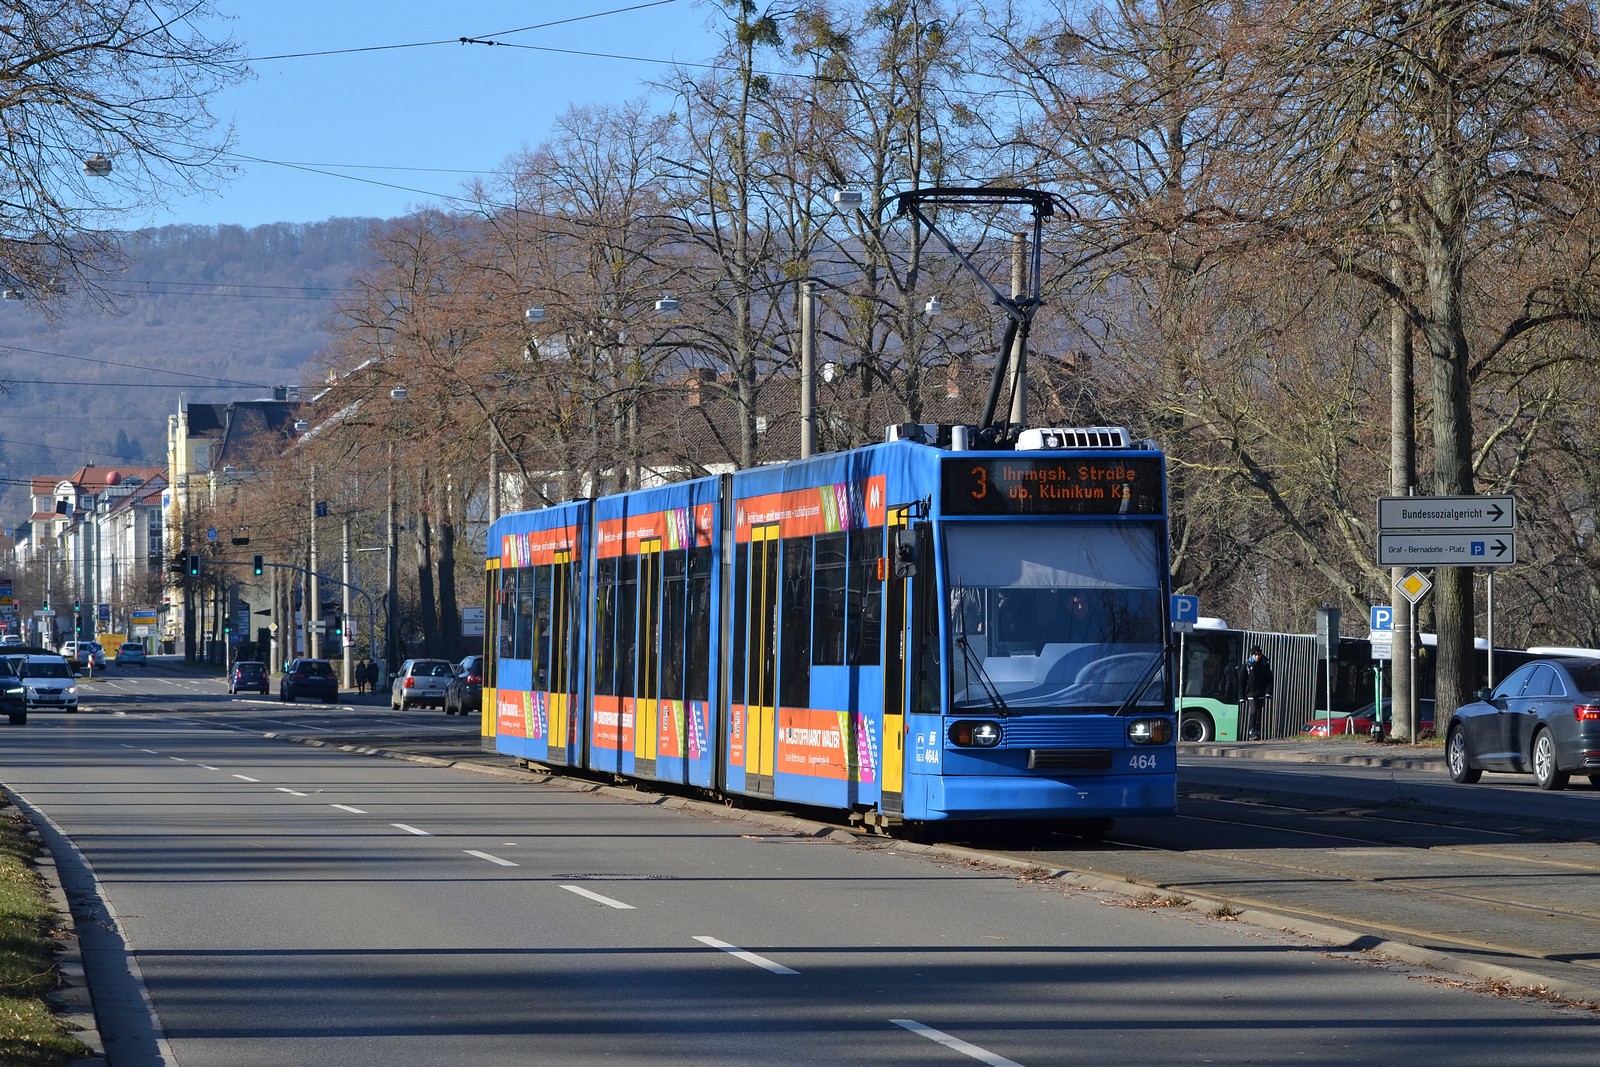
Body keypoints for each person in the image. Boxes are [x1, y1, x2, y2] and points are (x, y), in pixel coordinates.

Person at [1242, 645, 1273, 741]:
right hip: (1250, 692)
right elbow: (1241, 681)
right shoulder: (1247, 665)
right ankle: (1251, 731)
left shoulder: (1264, 665)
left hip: (1260, 692)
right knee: (1253, 710)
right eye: (1255, 655)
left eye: (1258, 655)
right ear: (1252, 655)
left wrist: (1268, 692)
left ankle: (1257, 731)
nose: (1257, 657)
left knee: (1259, 712)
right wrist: (1241, 696)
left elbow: (1269, 679)